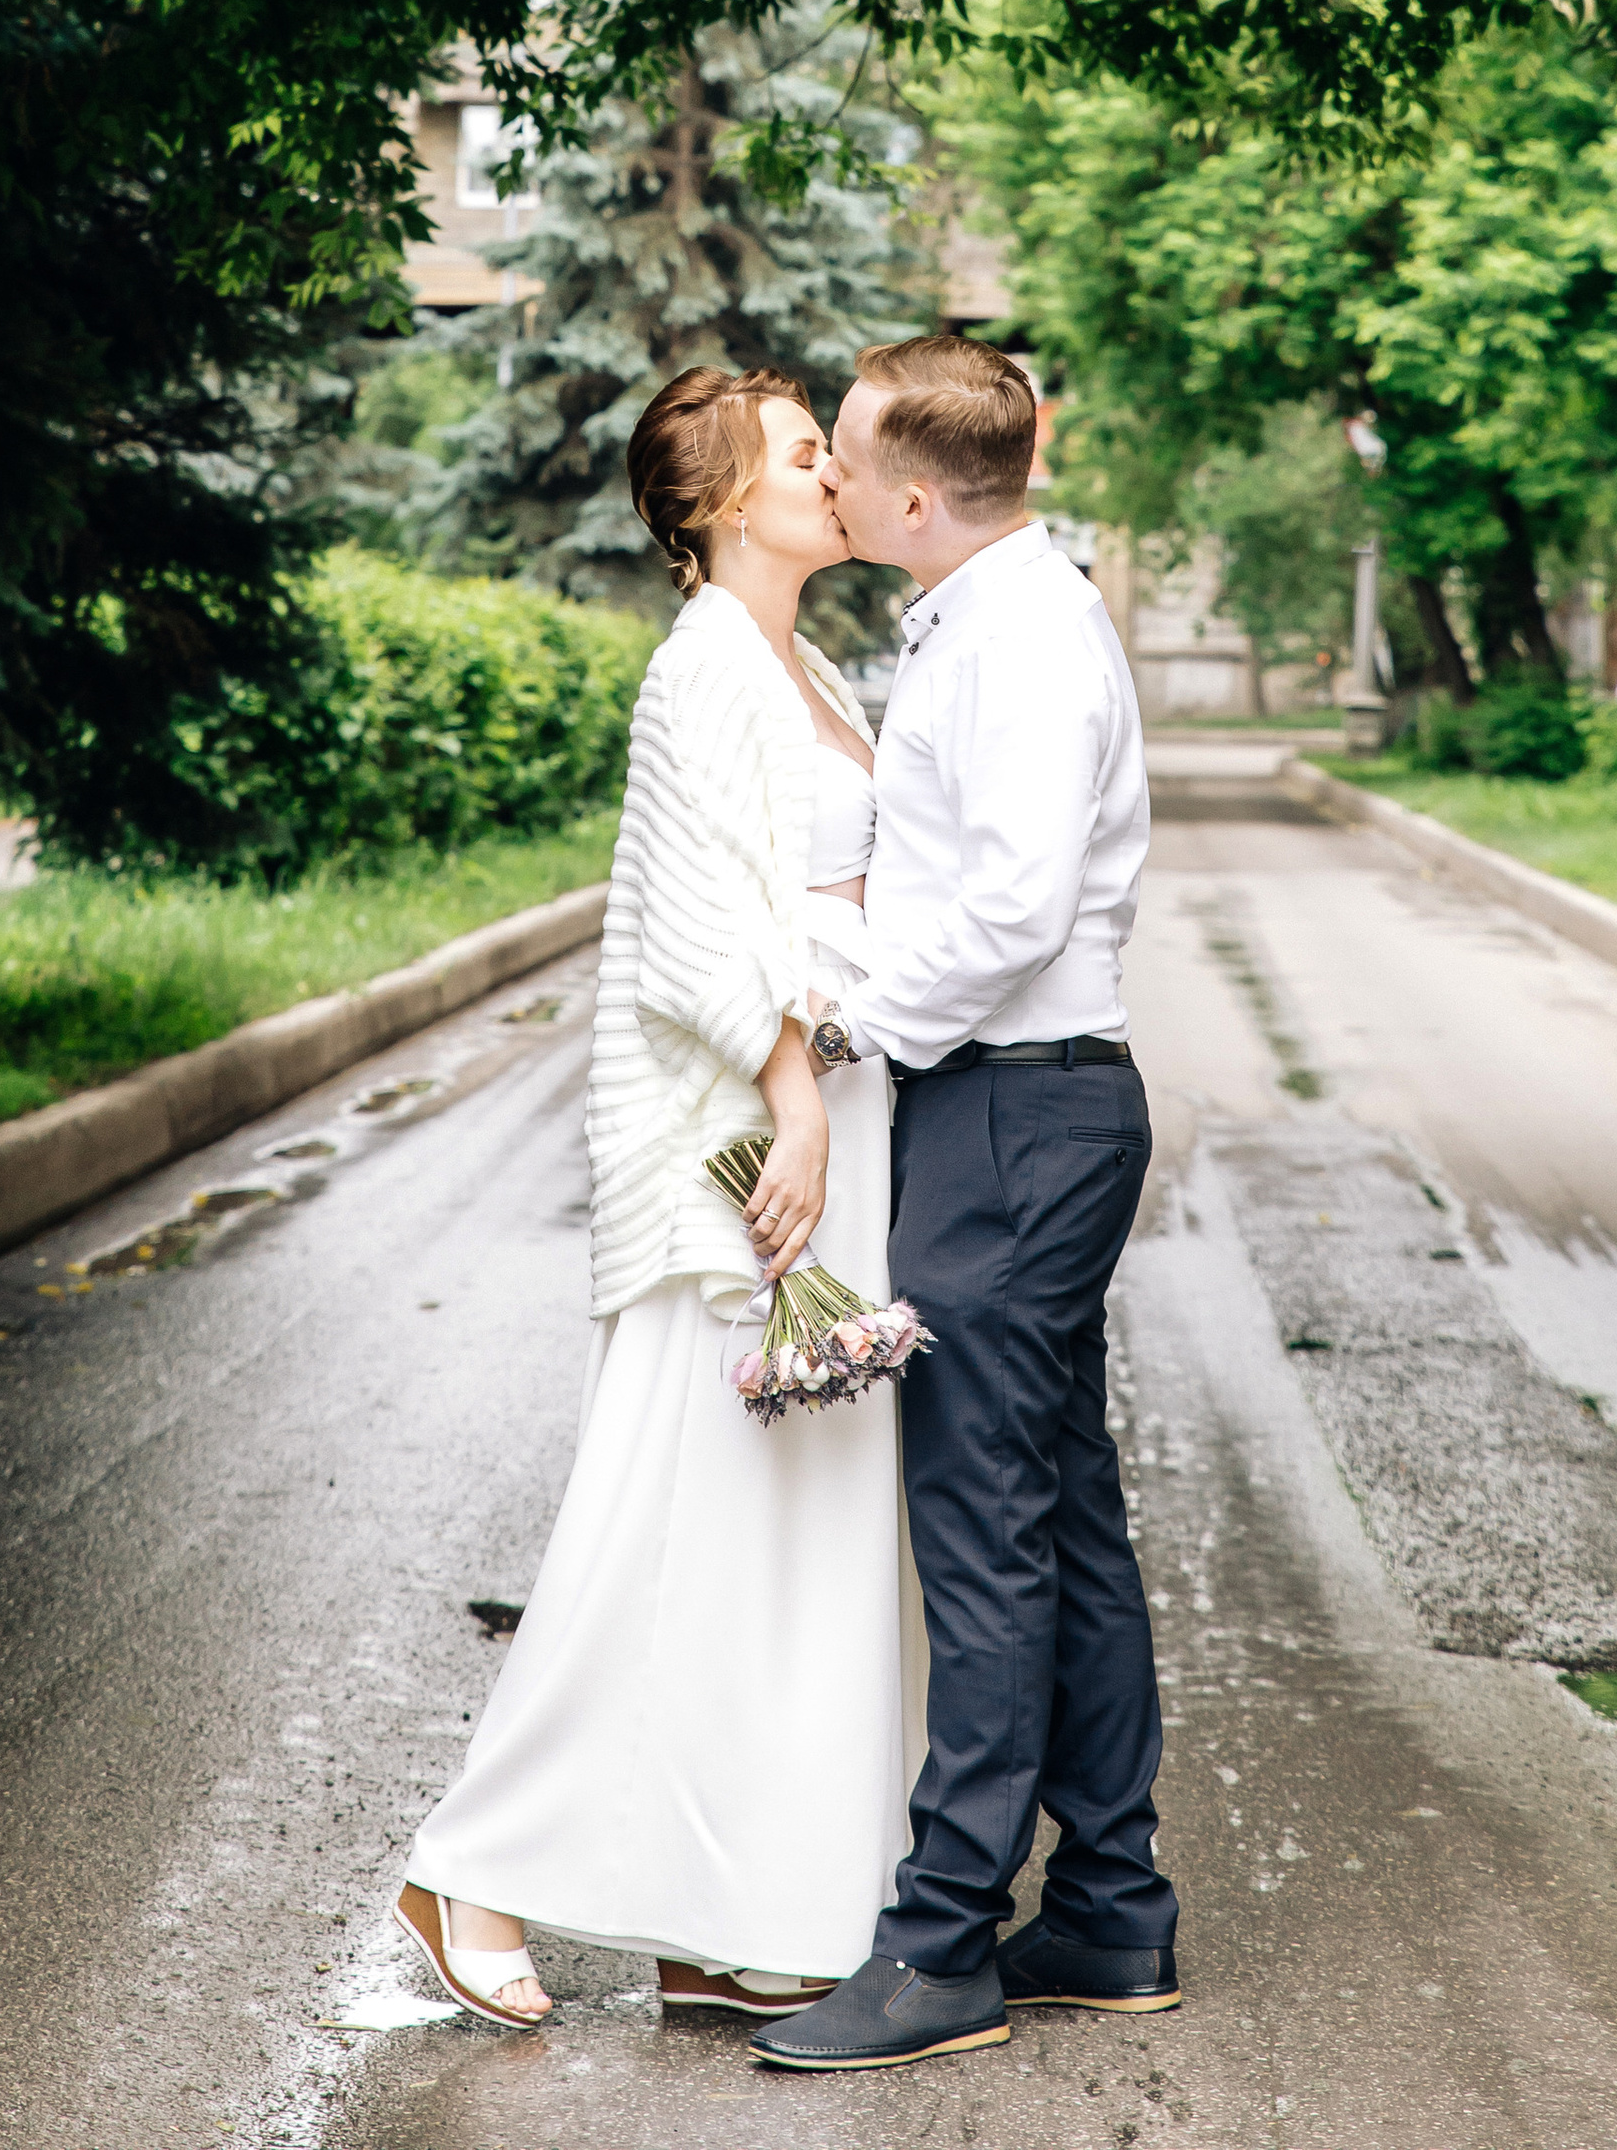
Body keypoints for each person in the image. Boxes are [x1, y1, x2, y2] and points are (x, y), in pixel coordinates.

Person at [393, 363, 919, 2028]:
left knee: (792, 1536)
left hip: (840, 1108)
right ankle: (471, 1866)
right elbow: (699, 925)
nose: (833, 469)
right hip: (745, 1143)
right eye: (799, 453)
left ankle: (720, 1911)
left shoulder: (808, 658)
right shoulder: (702, 670)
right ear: (713, 504)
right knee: (656, 1517)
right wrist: (792, 1109)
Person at [751, 332, 1178, 2073]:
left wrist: (841, 1027)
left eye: (847, 459)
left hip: (1016, 1110)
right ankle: (1111, 1913)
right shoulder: (989, 615)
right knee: (1061, 1513)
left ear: (918, 496)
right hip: (1027, 1107)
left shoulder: (1020, 639)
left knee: (985, 1529)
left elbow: (1005, 913)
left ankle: (942, 1953)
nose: (836, 484)